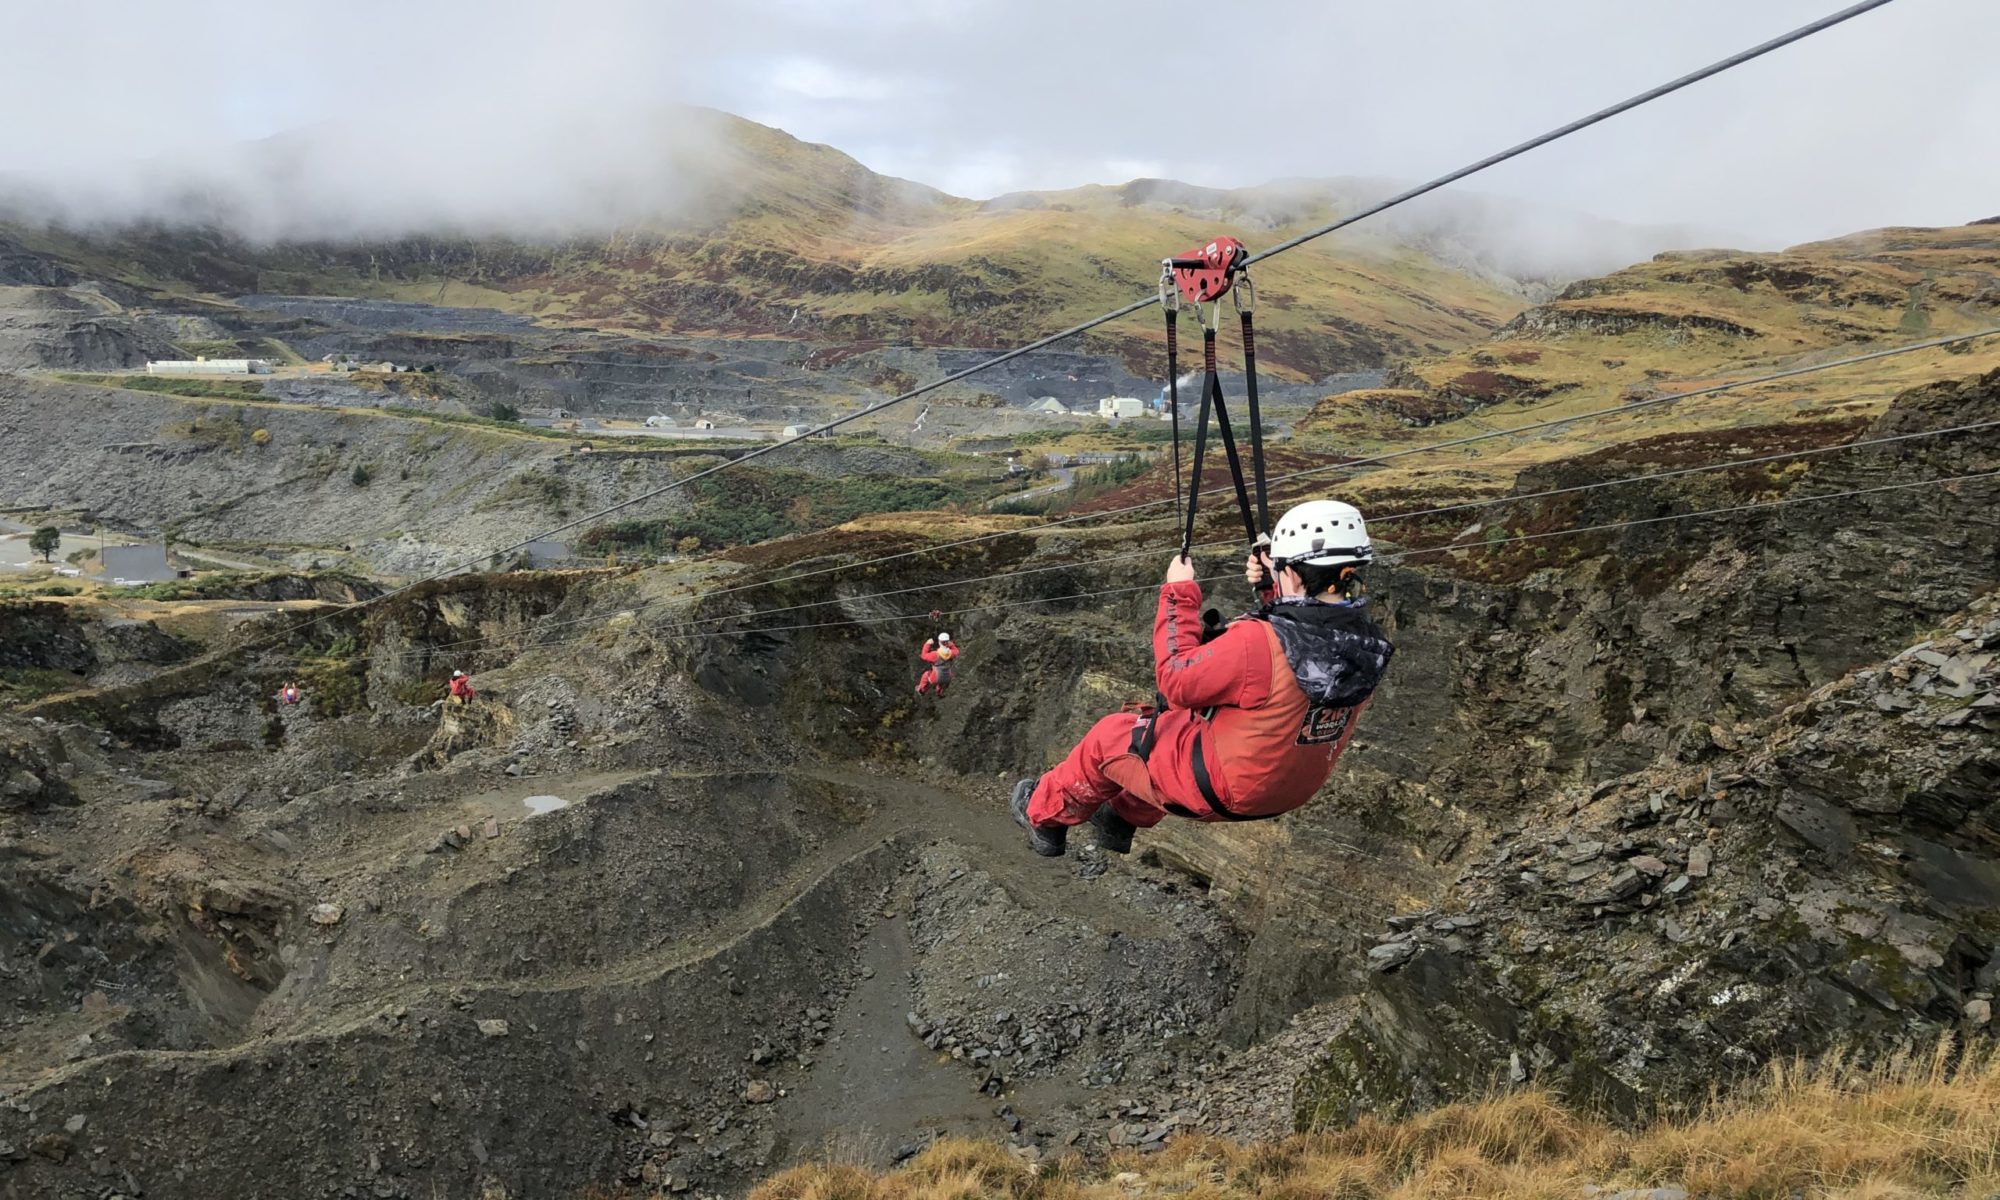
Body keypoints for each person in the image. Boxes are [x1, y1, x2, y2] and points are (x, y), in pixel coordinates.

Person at [1009, 499, 1393, 857]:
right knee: (1170, 727)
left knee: (1110, 736)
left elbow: (1175, 680)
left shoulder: (1258, 643)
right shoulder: (1366, 643)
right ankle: (1119, 818)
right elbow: (1301, 647)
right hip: (1285, 790)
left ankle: (1044, 817)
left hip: (1221, 790)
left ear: (1291, 572)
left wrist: (1178, 591)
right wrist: (1270, 588)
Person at [916, 632, 959, 698]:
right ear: (948, 642)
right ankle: (940, 692)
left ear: (939, 642)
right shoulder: (952, 653)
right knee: (942, 682)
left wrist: (927, 644)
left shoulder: (934, 654)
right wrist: (951, 645)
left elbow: (923, 655)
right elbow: (956, 651)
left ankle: (922, 690)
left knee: (926, 675)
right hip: (948, 677)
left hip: (935, 678)